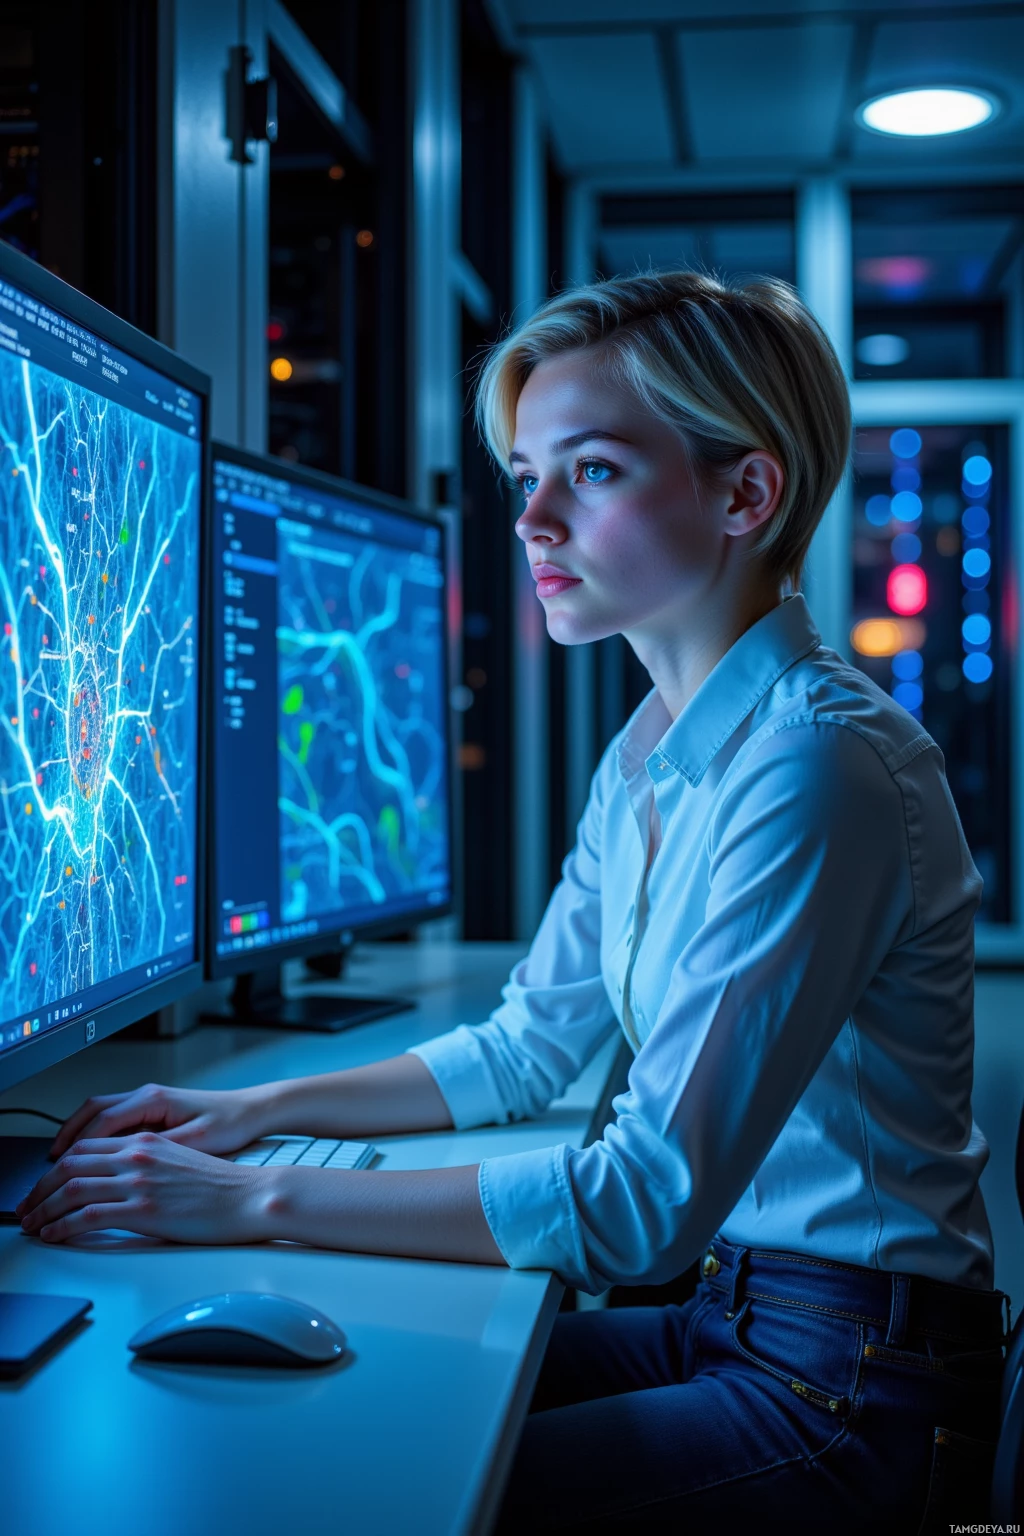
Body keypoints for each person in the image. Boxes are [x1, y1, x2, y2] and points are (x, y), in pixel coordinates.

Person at [20, 272, 1006, 1532]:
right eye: (525, 474)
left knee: (372, 1494)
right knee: (373, 1400)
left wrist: (252, 1200)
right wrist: (241, 1113)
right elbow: (526, 1049)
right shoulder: (657, 745)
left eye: (588, 471)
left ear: (744, 495)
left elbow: (641, 1205)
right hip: (733, 1313)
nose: (531, 518)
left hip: (853, 1389)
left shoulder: (819, 768)